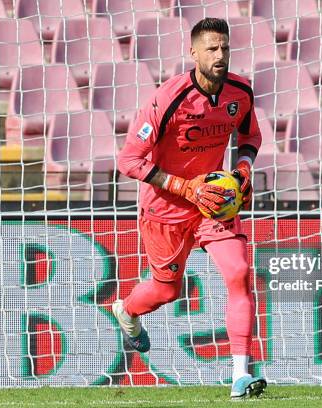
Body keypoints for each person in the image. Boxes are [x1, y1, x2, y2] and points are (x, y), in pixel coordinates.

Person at [113, 17, 265, 399]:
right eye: (212, 48)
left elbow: (250, 136)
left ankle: (239, 376)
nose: (220, 55)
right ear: (193, 52)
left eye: (225, 47)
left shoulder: (240, 92)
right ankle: (127, 313)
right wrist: (183, 186)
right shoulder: (170, 98)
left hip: (213, 204)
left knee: (239, 273)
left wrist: (243, 168)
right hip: (165, 211)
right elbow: (128, 160)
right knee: (166, 292)